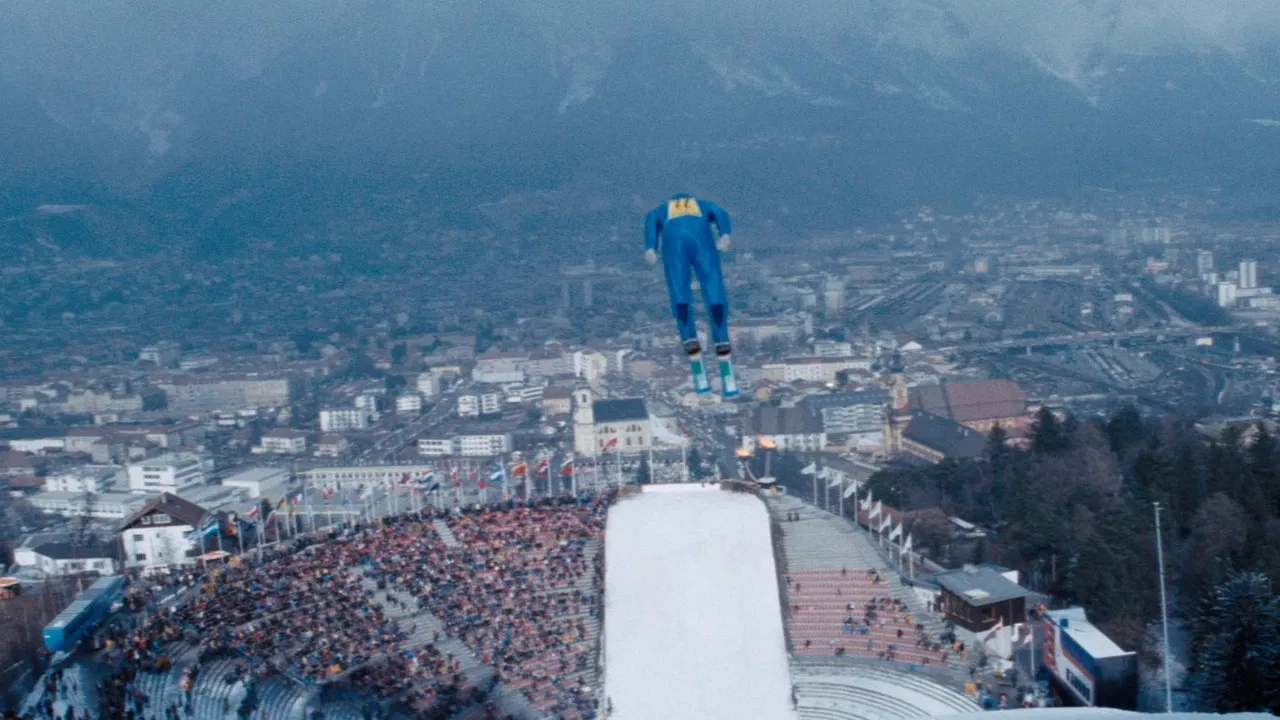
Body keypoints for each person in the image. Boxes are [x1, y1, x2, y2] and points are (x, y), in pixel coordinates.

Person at [643, 193, 733, 357]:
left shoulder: (662, 210)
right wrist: (724, 233)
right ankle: (721, 338)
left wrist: (651, 247)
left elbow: (651, 222)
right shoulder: (702, 204)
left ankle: (689, 337)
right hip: (703, 246)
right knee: (714, 291)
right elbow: (720, 212)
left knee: (680, 293)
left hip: (675, 249)